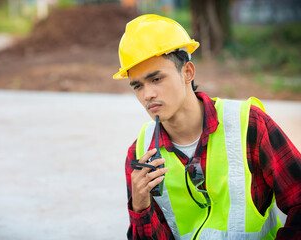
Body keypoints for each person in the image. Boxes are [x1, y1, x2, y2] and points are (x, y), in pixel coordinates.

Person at [113, 14, 301, 239]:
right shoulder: (141, 154)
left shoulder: (250, 125)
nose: (147, 94)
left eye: (156, 79)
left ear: (188, 72)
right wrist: (140, 208)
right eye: (138, 86)